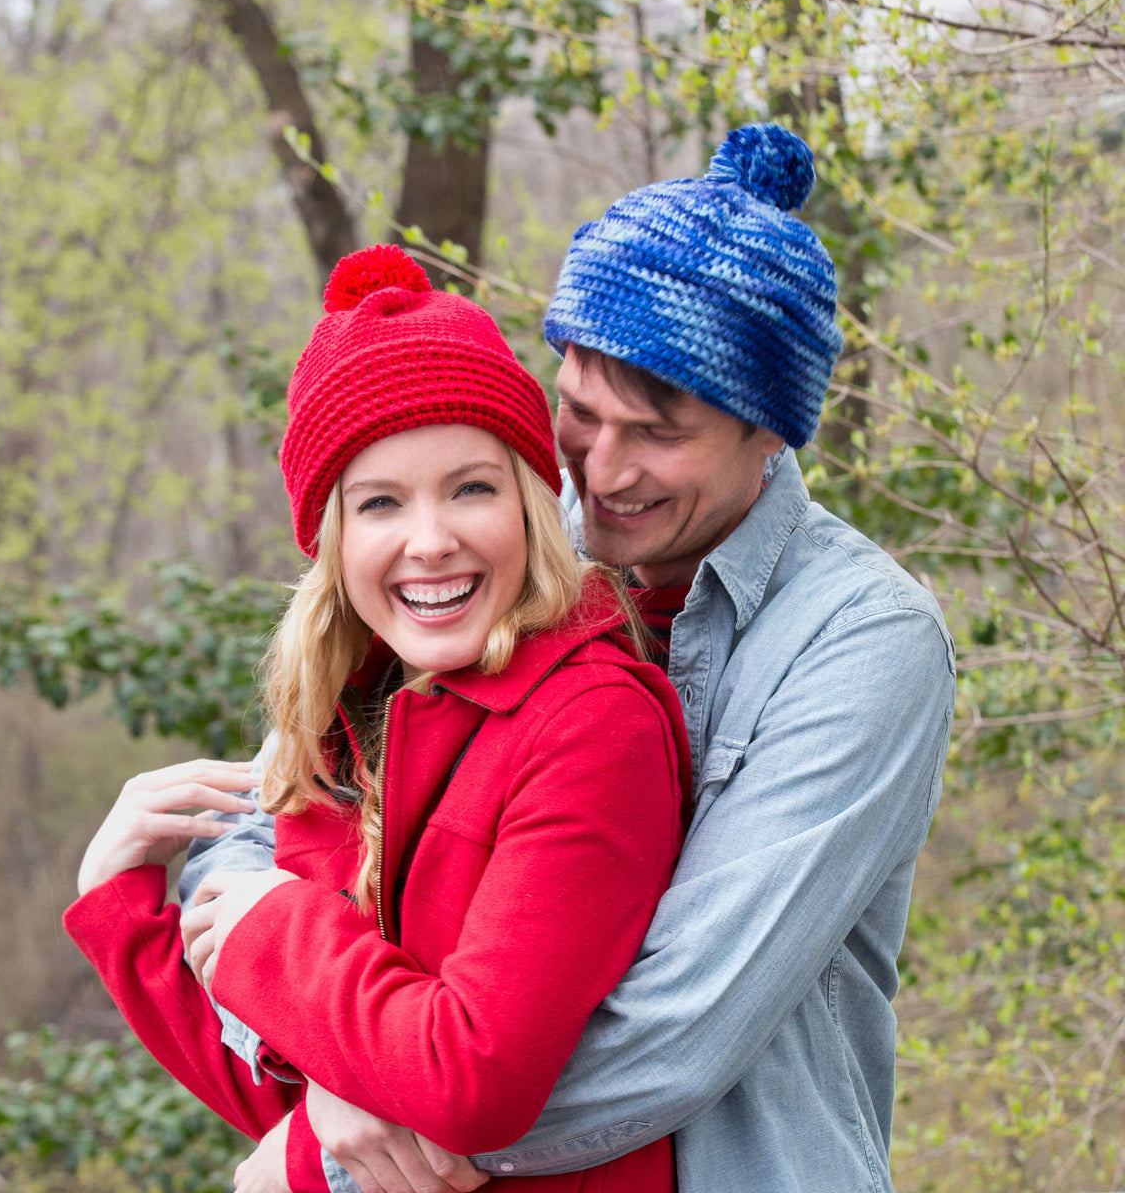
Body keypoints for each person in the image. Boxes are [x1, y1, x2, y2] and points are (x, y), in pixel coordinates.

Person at [184, 122, 957, 1193]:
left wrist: (338, 1146)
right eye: (579, 413)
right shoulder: (511, 531)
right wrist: (307, 1026)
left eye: (656, 433)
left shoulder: (862, 642)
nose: (600, 470)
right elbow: (274, 813)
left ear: (771, 432)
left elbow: (674, 1031)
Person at [63, 244, 691, 1192]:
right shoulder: (350, 720)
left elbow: (472, 1080)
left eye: (472, 488)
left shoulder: (591, 721)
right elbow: (295, 1094)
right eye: (380, 503)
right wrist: (120, 905)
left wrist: (275, 927)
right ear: (334, 538)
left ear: (529, 505)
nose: (430, 541)